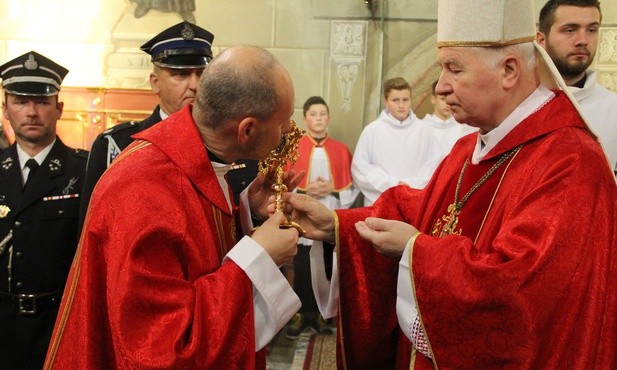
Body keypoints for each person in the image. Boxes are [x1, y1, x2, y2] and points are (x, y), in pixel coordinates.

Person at [282, 0, 617, 368]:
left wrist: (415, 251)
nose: (440, 88)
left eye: (453, 69)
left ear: (509, 70)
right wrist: (338, 225)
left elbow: (519, 294)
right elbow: (422, 209)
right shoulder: (468, 147)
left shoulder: (571, 162)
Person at [44, 45, 303, 369]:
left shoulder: (186, 155)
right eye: (283, 121)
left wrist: (244, 211)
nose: (289, 132)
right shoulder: (144, 189)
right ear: (247, 129)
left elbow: (190, 248)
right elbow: (162, 347)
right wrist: (260, 256)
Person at [79, 21, 259, 228]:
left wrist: (251, 210)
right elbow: (92, 230)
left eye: (202, 74)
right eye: (180, 75)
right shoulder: (117, 145)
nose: (195, 85)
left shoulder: (235, 141)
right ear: (155, 82)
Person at [0, 51, 88, 369]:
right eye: (21, 101)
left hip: (60, 325)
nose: (32, 112)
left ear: (59, 108)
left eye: (42, 101)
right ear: (5, 109)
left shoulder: (86, 170)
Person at [284, 96, 358, 339]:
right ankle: (301, 312)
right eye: (313, 114)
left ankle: (321, 314)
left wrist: (332, 190)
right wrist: (305, 191)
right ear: (305, 119)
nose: (318, 118)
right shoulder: (293, 149)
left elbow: (351, 187)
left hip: (329, 211)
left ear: (329, 118)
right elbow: (284, 184)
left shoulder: (340, 149)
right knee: (303, 264)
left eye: (323, 114)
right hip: (302, 213)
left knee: (327, 265)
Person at [537, 0, 617, 175]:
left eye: (591, 30)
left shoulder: (614, 110)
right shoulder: (512, 103)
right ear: (541, 40)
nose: (583, 41)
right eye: (570, 30)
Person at [351, 77, 442, 206]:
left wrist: (411, 185)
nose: (401, 105)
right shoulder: (372, 131)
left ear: (411, 100)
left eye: (405, 100)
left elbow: (434, 164)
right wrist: (392, 186)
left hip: (413, 199)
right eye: (395, 100)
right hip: (380, 201)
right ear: (386, 102)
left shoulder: (424, 130)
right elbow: (359, 167)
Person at [421, 79, 477, 156]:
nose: (447, 103)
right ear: (433, 100)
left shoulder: (464, 127)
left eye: (450, 97)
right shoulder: (422, 128)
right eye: (443, 99)